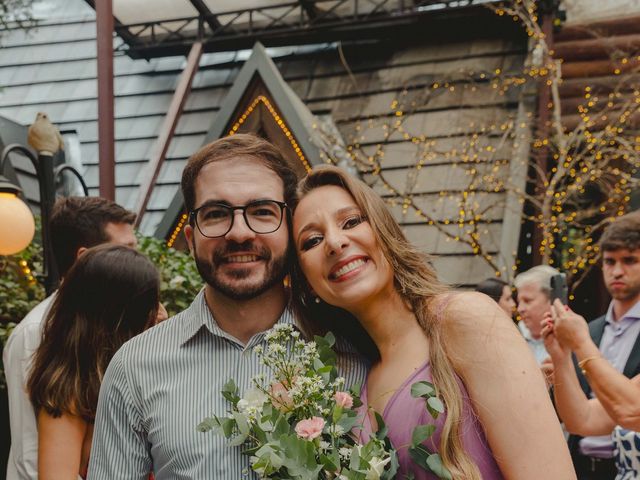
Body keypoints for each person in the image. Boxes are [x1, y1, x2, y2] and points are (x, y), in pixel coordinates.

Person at [87, 134, 367, 479]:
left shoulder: (357, 348)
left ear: (289, 229)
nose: (238, 233)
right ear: (191, 239)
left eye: (262, 211)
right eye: (216, 214)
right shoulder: (134, 369)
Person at [290, 165, 575, 479]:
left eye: (352, 221)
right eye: (312, 241)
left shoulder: (465, 319)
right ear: (306, 281)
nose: (334, 242)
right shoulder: (356, 376)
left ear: (383, 229)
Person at [3, 196, 136, 480]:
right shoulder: (37, 332)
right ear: (85, 258)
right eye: (126, 251)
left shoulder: (115, 322)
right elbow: (32, 457)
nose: (137, 262)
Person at [26, 244, 161, 479]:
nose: (162, 313)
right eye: (151, 304)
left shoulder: (140, 375)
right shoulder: (70, 396)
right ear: (121, 318)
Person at [543, 210, 640, 480]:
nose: (617, 271)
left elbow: (631, 410)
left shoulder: (584, 335)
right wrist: (561, 356)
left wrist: (581, 343)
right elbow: (582, 420)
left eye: (630, 260)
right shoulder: (593, 328)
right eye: (609, 262)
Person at [513, 265, 560, 364]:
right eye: (519, 302)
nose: (520, 309)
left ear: (551, 299)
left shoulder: (571, 342)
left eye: (527, 301)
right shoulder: (512, 339)